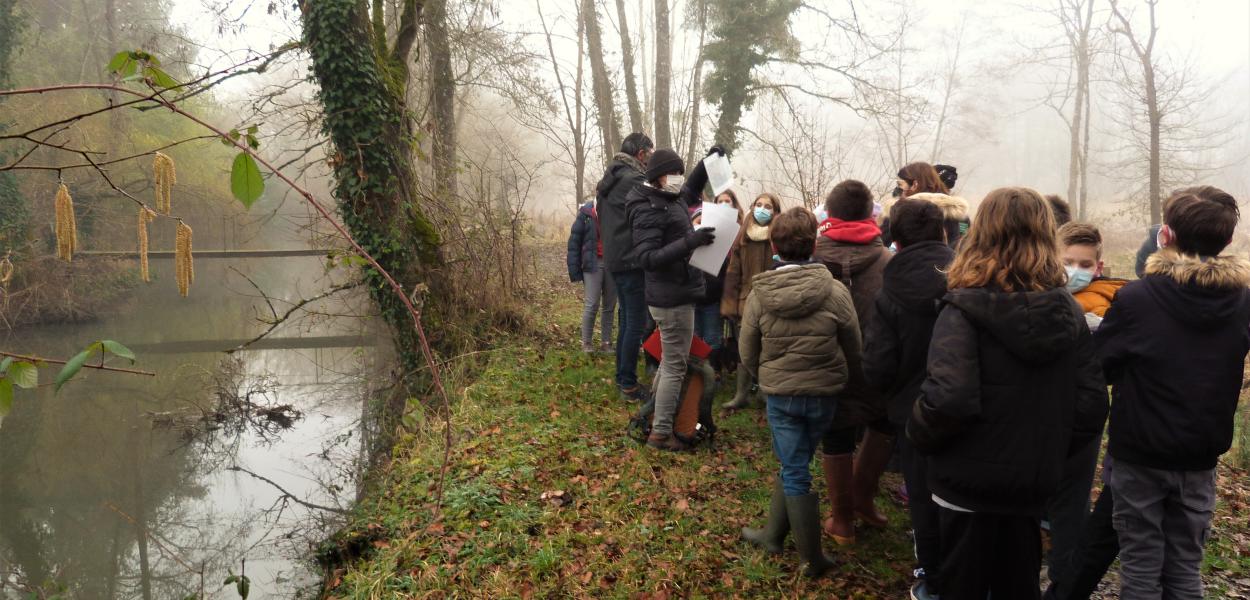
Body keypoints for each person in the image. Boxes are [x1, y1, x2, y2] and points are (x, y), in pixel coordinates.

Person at [907, 187, 1108, 600]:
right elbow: (1090, 404)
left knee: (962, 584)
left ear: (980, 232)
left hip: (965, 484)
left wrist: (917, 435)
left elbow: (948, 400)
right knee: (1019, 583)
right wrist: (1046, 454)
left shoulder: (962, 309)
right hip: (1030, 488)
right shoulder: (1069, 311)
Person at [1096, 186, 1250, 599]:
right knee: (1185, 567)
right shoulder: (1242, 300)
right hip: (1200, 455)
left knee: (1141, 565)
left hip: (1140, 453)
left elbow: (1101, 365)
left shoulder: (1137, 298)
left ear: (1165, 236)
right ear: (1228, 241)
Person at [739, 207, 861, 578]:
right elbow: (853, 343)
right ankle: (773, 536)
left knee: (795, 468)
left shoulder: (760, 293)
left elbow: (747, 347)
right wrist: (846, 375)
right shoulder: (836, 291)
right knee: (796, 463)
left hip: (781, 394)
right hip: (824, 393)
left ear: (774, 244)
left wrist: (763, 376)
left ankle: (811, 559)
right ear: (815, 243)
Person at [861, 198, 955, 600]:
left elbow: (879, 364)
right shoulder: (968, 278)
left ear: (894, 238)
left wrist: (888, 395)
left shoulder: (889, 293)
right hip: (965, 403)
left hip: (911, 411)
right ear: (944, 233)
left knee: (922, 495)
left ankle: (931, 578)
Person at [1042, 221, 1125, 595]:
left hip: (1082, 413)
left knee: (1072, 500)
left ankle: (1062, 577)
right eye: (1068, 261)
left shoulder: (1114, 304)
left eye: (1085, 264)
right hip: (1037, 414)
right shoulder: (1037, 295)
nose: (1075, 271)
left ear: (1099, 266)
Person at [812, 179, 893, 545]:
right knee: (882, 424)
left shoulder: (810, 254)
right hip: (877, 359)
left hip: (828, 359)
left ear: (829, 214)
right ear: (869, 214)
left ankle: (847, 513)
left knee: (840, 435)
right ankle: (855, 504)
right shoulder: (890, 262)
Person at [626, 147, 719, 451]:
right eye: (675, 173)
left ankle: (654, 418)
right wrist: (690, 241)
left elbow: (690, 188)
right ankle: (662, 433)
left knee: (670, 364)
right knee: (675, 366)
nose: (680, 179)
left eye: (681, 172)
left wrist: (707, 163)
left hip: (677, 291)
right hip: (671, 299)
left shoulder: (669, 196)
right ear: (659, 176)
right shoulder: (648, 208)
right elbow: (647, 257)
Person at [597, 133, 654, 402]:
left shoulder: (611, 179)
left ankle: (623, 376)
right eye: (650, 155)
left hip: (615, 259)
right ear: (641, 154)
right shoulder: (633, 180)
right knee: (636, 322)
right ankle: (628, 383)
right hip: (631, 259)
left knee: (626, 320)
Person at [721, 192, 784, 410]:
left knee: (767, 349)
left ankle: (765, 393)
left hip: (770, 301)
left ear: (775, 212)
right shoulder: (743, 235)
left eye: (768, 206)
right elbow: (733, 271)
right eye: (758, 205)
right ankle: (742, 394)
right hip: (744, 300)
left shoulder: (780, 237)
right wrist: (729, 302)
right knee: (743, 348)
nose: (762, 210)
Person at [567, 200, 616, 354]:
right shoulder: (586, 214)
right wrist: (574, 270)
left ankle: (606, 342)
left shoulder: (615, 211)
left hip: (613, 263)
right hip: (592, 264)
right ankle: (586, 343)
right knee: (592, 304)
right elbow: (574, 243)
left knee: (609, 305)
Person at [884, 162, 969, 250]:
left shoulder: (902, 213)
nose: (898, 189)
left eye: (900, 184)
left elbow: (886, 245)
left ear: (915, 185)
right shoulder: (957, 214)